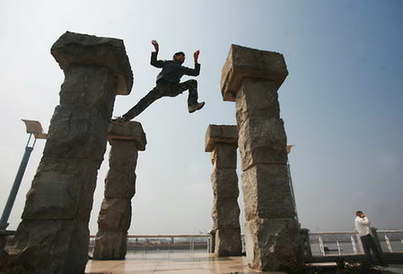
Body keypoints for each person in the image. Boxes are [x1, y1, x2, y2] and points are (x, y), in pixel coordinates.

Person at [119, 40, 205, 121]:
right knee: (144, 102)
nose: (183, 58)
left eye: (184, 57)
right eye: (181, 56)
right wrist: (156, 51)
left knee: (192, 82)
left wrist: (195, 60)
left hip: (173, 88)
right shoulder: (167, 63)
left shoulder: (182, 68)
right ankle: (125, 118)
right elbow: (154, 62)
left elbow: (195, 73)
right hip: (161, 87)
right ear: (175, 56)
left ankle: (192, 105)